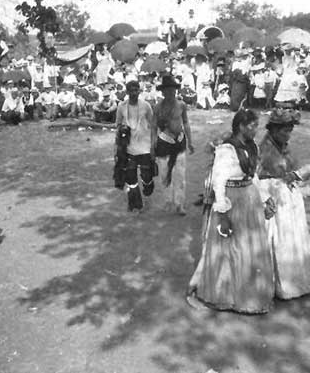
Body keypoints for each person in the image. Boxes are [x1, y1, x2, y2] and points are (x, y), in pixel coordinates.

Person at [187, 109, 276, 313]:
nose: (256, 129)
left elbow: (253, 176)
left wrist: (265, 197)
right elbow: (219, 182)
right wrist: (223, 213)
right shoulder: (227, 150)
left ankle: (249, 296)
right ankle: (227, 295)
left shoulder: (252, 146)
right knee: (230, 250)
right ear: (241, 126)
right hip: (231, 199)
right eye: (252, 126)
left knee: (248, 247)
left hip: (250, 199)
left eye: (257, 125)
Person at [258, 108, 310, 300]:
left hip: (289, 197)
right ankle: (280, 285)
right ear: (273, 130)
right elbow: (257, 178)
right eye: (284, 130)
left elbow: (293, 167)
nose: (287, 134)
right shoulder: (264, 150)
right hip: (273, 196)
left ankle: (296, 282)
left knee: (292, 237)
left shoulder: (285, 146)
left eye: (290, 130)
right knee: (278, 239)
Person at [152, 75, 194, 215]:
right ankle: (168, 201)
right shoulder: (158, 107)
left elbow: (186, 123)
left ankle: (179, 203)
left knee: (180, 175)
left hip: (180, 141)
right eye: (167, 91)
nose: (170, 93)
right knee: (164, 174)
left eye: (172, 90)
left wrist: (190, 141)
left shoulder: (181, 105)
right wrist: (152, 146)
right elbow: (153, 127)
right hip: (164, 142)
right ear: (163, 92)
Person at [115, 81, 155, 212]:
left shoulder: (146, 106)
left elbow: (153, 126)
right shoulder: (121, 106)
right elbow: (118, 126)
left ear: (139, 91)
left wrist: (154, 145)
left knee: (146, 176)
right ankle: (136, 203)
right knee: (131, 177)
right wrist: (116, 147)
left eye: (136, 90)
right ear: (127, 92)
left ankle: (148, 186)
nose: (134, 93)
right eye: (131, 90)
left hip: (144, 146)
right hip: (128, 147)